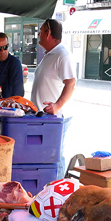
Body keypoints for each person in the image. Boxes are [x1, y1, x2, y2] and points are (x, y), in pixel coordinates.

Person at [31, 18, 76, 178]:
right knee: (45, 154)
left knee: (54, 155)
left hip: (56, 116)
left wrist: (57, 105)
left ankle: (56, 192)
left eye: (40, 31)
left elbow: (70, 83)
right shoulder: (49, 54)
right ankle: (47, 188)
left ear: (48, 33)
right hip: (44, 116)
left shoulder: (62, 55)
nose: (38, 35)